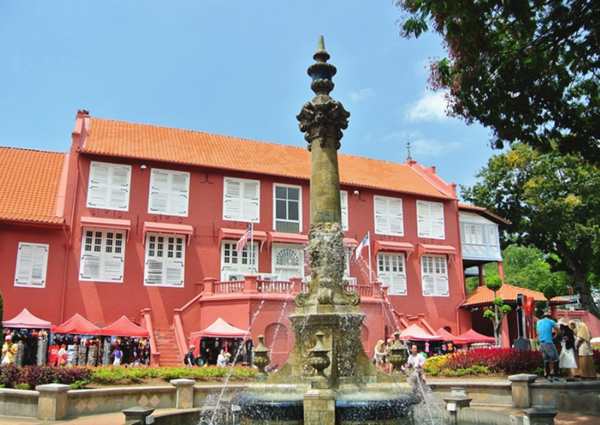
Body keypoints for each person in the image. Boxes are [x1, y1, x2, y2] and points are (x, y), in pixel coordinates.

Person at [536, 310, 559, 381]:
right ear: (549, 317)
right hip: (548, 342)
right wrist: (555, 335)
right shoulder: (550, 321)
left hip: (541, 343)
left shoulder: (538, 322)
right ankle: (553, 373)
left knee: (546, 359)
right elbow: (558, 329)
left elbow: (537, 332)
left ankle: (546, 373)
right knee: (555, 358)